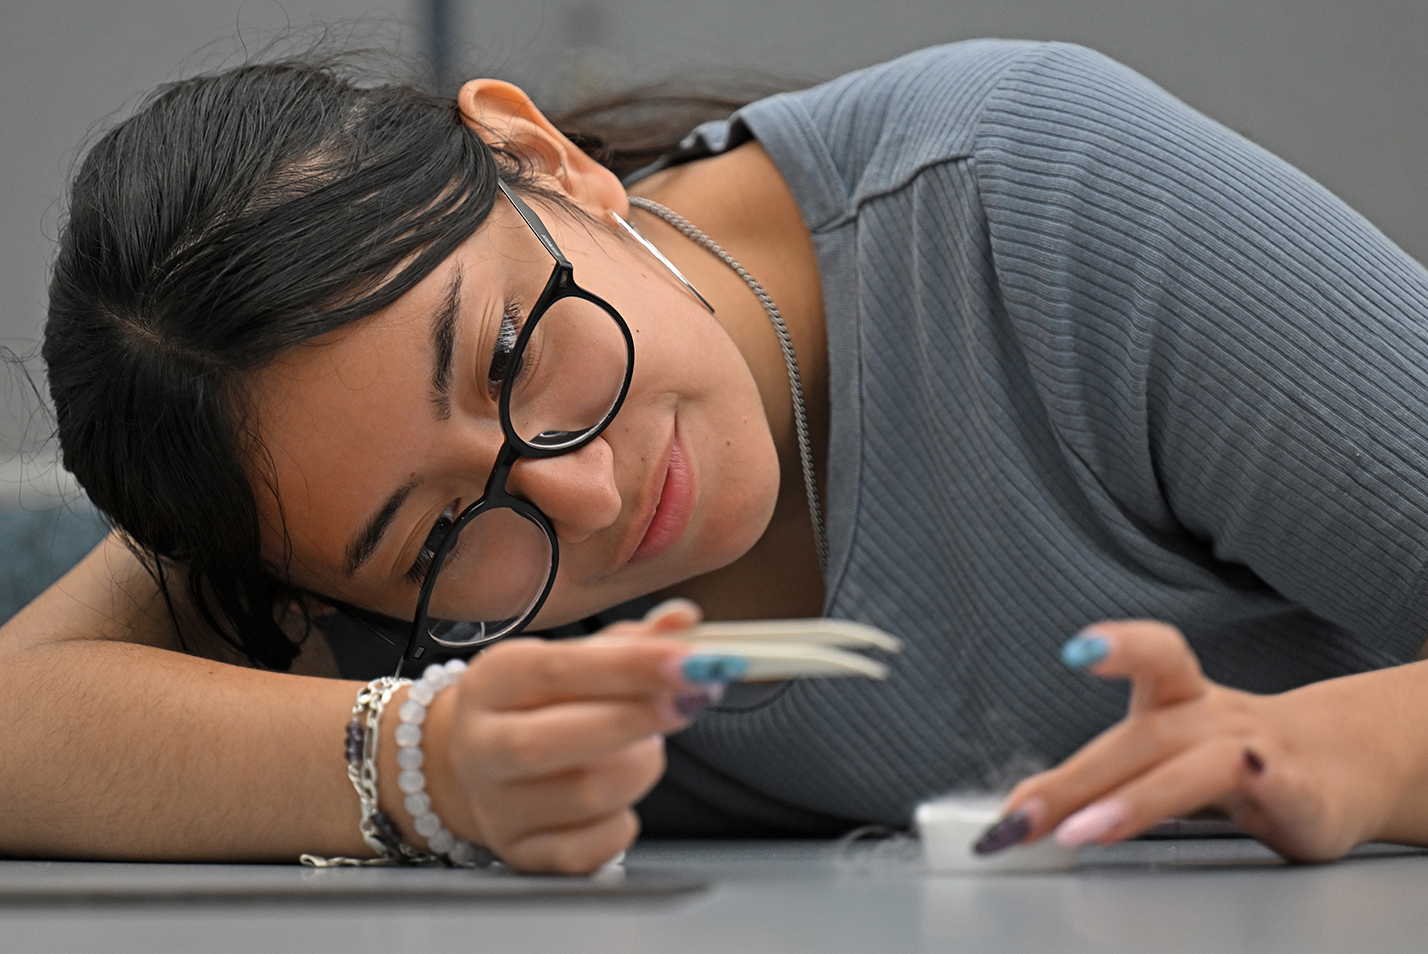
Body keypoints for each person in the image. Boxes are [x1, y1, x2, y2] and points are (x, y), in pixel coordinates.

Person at [8, 37, 1428, 874]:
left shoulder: (1031, 197)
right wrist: (423, 761)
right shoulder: (317, 515)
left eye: (510, 353)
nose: (580, 485)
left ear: (540, 157)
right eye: (440, 530)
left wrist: (1333, 747)